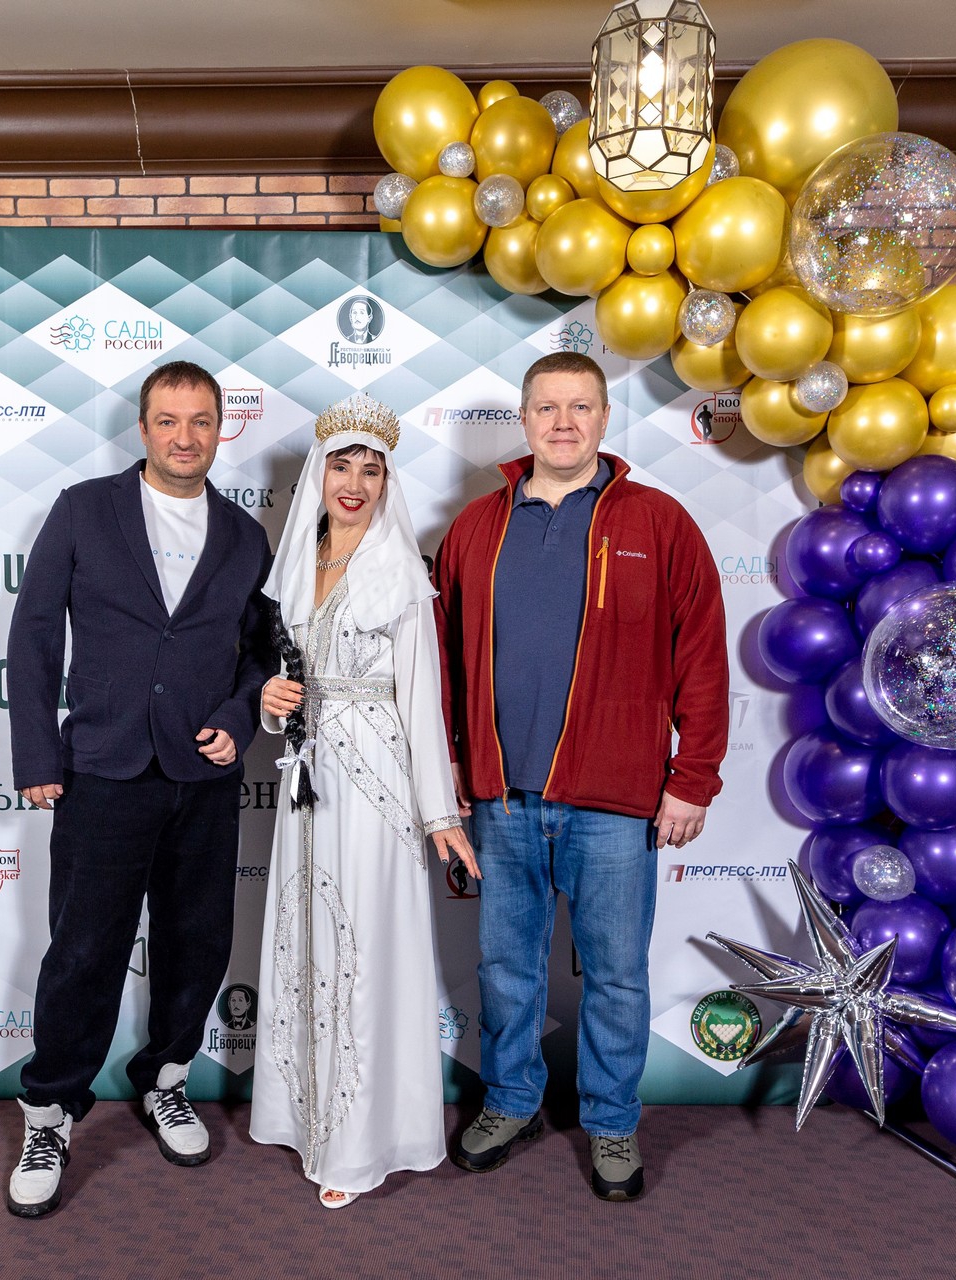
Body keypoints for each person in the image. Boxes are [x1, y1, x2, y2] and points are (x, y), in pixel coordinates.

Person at [432, 351, 729, 1203]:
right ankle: (510, 1101)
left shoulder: (659, 522)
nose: (564, 423)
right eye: (547, 408)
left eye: (581, 407)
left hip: (616, 800)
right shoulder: (475, 527)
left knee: (616, 975)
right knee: (506, 970)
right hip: (502, 798)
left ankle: (611, 1121)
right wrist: (450, 767)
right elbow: (443, 662)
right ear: (525, 420)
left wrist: (693, 778)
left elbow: (703, 656)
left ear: (603, 418)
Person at [3, 360, 272, 1219]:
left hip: (204, 775)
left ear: (221, 428)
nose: (185, 437)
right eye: (168, 420)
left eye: (201, 421)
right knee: (83, 951)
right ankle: (50, 1112)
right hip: (104, 768)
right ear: (144, 427)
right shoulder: (85, 509)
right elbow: (34, 634)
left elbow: (260, 653)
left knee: (197, 942)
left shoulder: (244, 536)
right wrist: (36, 756)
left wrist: (238, 716)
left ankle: (166, 1078)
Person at [250, 392, 479, 1210]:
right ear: (319, 473)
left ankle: (358, 1145)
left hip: (376, 781)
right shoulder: (295, 563)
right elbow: (282, 675)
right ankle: (306, 1119)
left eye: (370, 470)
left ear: (388, 482)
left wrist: (440, 813)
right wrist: (268, 702)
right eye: (341, 466)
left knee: (366, 949)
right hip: (305, 780)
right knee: (305, 938)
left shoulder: (401, 572)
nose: (353, 483)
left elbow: (422, 698)